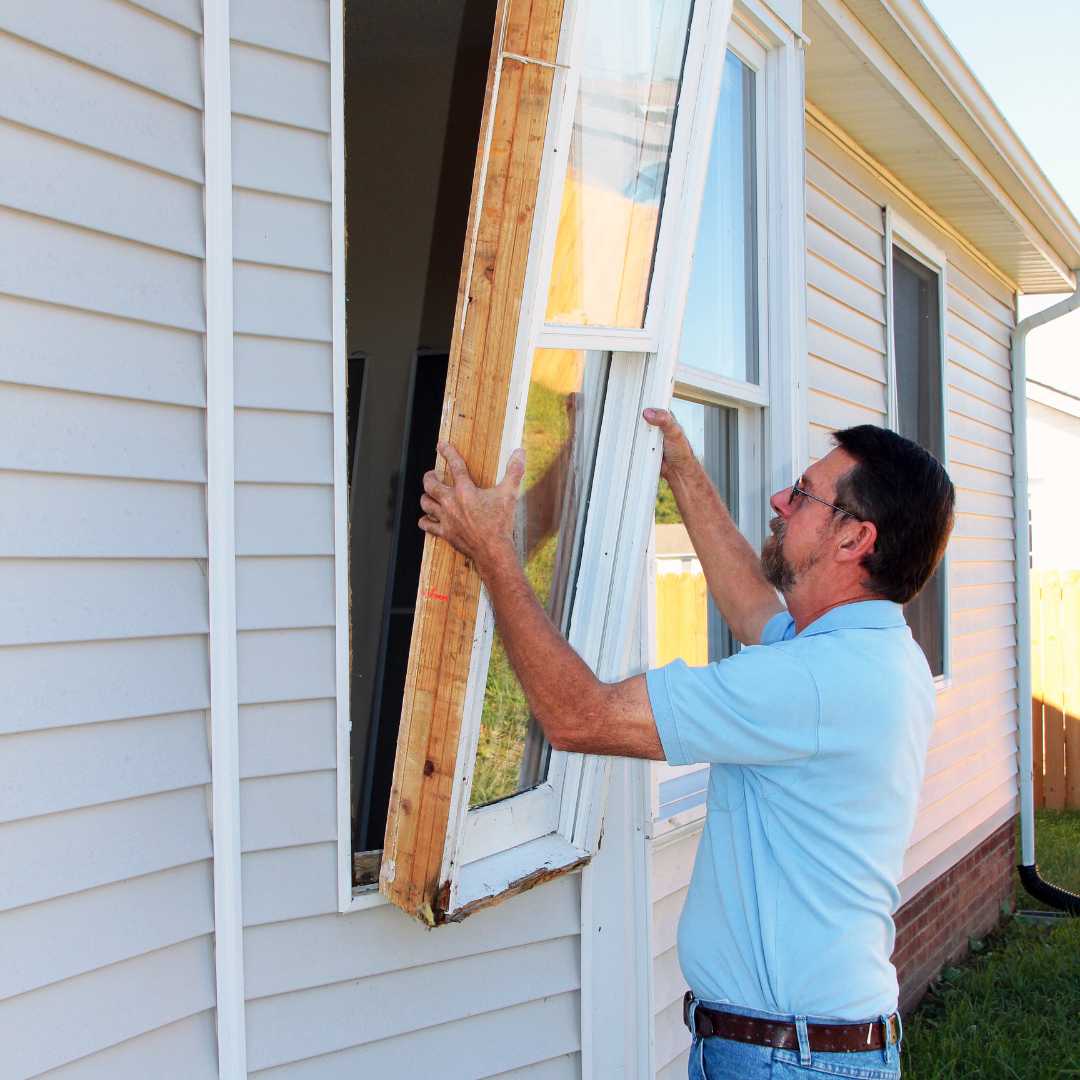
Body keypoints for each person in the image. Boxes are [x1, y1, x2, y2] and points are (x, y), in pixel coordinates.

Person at [419, 409, 955, 1079]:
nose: (781, 501)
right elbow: (753, 608)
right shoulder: (873, 655)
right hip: (795, 1049)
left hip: (786, 1060)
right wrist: (680, 466)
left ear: (854, 539)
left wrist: (494, 549)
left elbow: (580, 717)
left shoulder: (814, 682)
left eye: (805, 494)